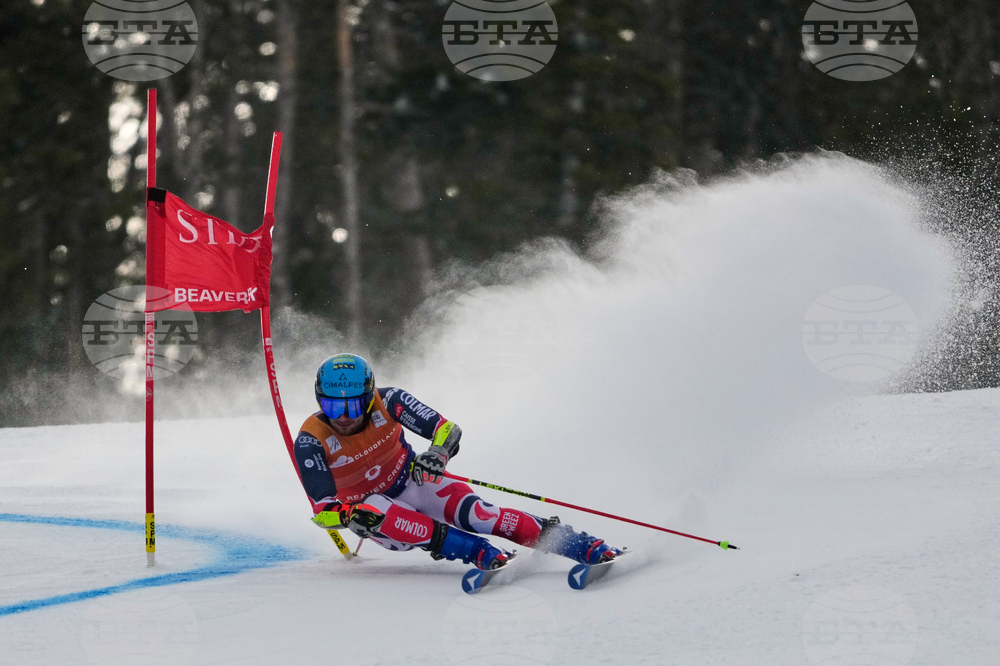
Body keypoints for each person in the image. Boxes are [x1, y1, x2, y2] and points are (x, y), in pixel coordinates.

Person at [293, 353, 621, 570]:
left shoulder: (389, 400)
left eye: (353, 406)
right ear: (320, 400)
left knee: (480, 514)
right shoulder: (311, 441)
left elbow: (447, 428)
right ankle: (477, 552)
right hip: (380, 520)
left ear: (369, 398)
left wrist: (438, 453)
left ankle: (582, 545)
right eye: (332, 407)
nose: (343, 417)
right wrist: (348, 516)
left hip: (413, 482)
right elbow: (322, 512)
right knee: (375, 507)